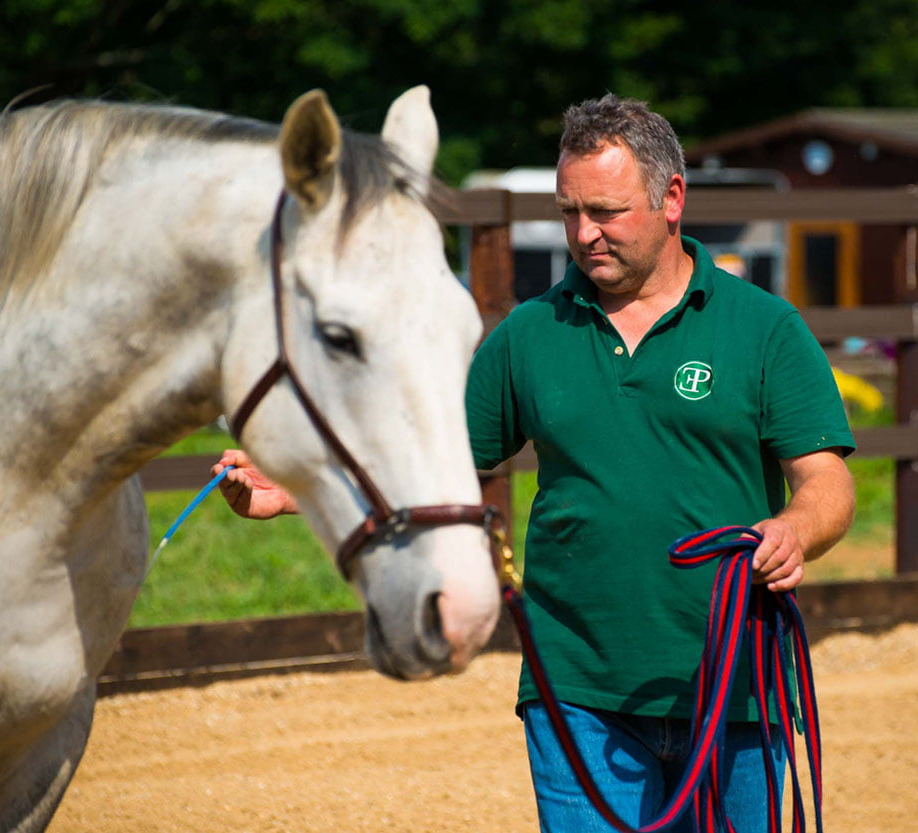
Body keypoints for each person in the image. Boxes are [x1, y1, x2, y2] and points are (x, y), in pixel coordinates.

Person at [213, 94, 856, 833]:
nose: (585, 234)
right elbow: (438, 465)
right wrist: (293, 484)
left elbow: (827, 481)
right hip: (574, 687)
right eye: (569, 212)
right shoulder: (528, 334)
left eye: (607, 212)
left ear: (671, 197)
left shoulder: (765, 328)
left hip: (734, 690)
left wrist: (794, 532)